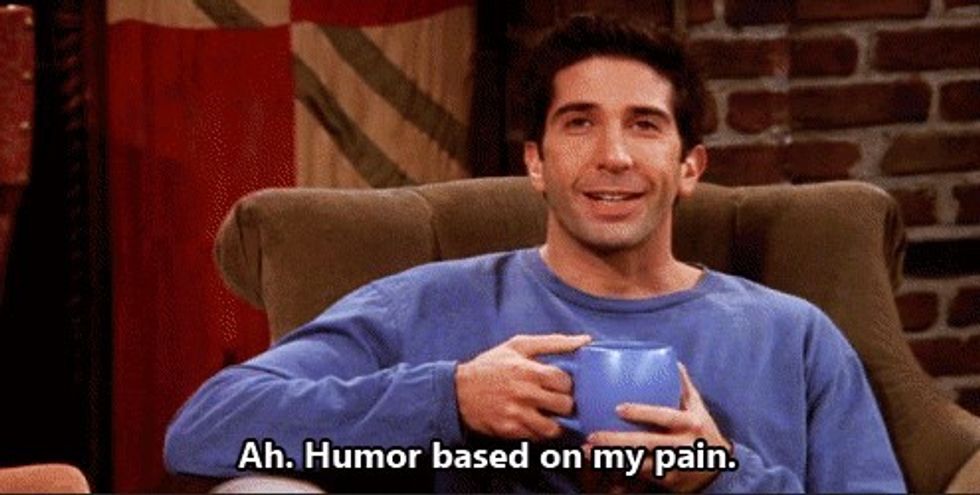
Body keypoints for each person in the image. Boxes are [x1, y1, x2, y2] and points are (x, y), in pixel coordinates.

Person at [164, 15, 906, 492]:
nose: (613, 156)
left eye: (645, 125)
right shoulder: (426, 303)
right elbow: (206, 429)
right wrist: (448, 398)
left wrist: (719, 477)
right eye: (579, 123)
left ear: (689, 167)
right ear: (535, 163)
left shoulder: (793, 335)